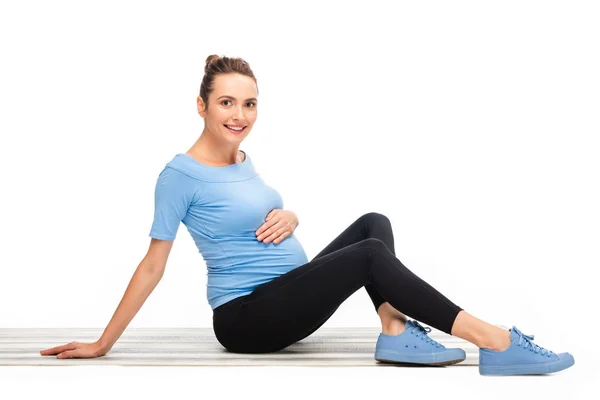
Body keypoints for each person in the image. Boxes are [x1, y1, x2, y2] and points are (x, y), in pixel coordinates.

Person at [40, 55, 574, 376]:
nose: (240, 116)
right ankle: (494, 341)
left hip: (286, 292)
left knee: (373, 223)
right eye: (226, 103)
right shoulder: (179, 175)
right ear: (200, 105)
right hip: (247, 319)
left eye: (249, 104)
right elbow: (153, 264)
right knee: (368, 254)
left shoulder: (241, 158)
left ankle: (394, 333)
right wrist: (103, 343)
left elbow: (256, 213)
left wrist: (289, 214)